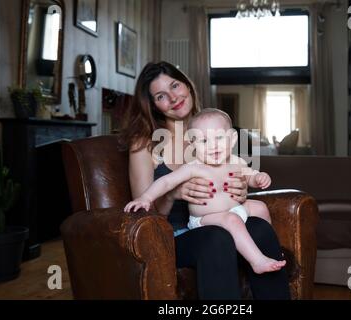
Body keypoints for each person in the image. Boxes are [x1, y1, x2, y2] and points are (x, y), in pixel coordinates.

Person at [119, 61, 291, 300]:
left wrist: (240, 190)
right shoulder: (145, 143)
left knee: (260, 228)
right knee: (215, 238)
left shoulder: (212, 127)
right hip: (180, 234)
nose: (172, 97)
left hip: (224, 218)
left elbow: (237, 181)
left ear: (187, 84)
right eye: (161, 96)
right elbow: (145, 216)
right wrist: (173, 194)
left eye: (175, 85)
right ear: (154, 105)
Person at [124, 108, 287, 274]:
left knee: (260, 207)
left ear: (232, 139)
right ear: (193, 145)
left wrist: (259, 178)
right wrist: (145, 197)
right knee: (232, 220)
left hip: (235, 210)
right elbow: (166, 182)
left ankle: (269, 250)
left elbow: (250, 176)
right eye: (204, 141)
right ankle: (257, 261)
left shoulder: (237, 161)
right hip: (205, 218)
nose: (213, 146)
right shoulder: (193, 167)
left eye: (219, 138)